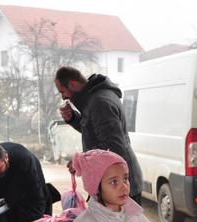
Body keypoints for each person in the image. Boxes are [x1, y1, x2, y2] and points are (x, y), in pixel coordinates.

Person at [54, 66, 143, 204]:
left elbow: (113, 147)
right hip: (112, 182)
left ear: (72, 84)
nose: (63, 97)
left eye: (62, 91)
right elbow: (96, 133)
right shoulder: (94, 99)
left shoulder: (100, 102)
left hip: (118, 186)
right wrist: (73, 118)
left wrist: (81, 161)